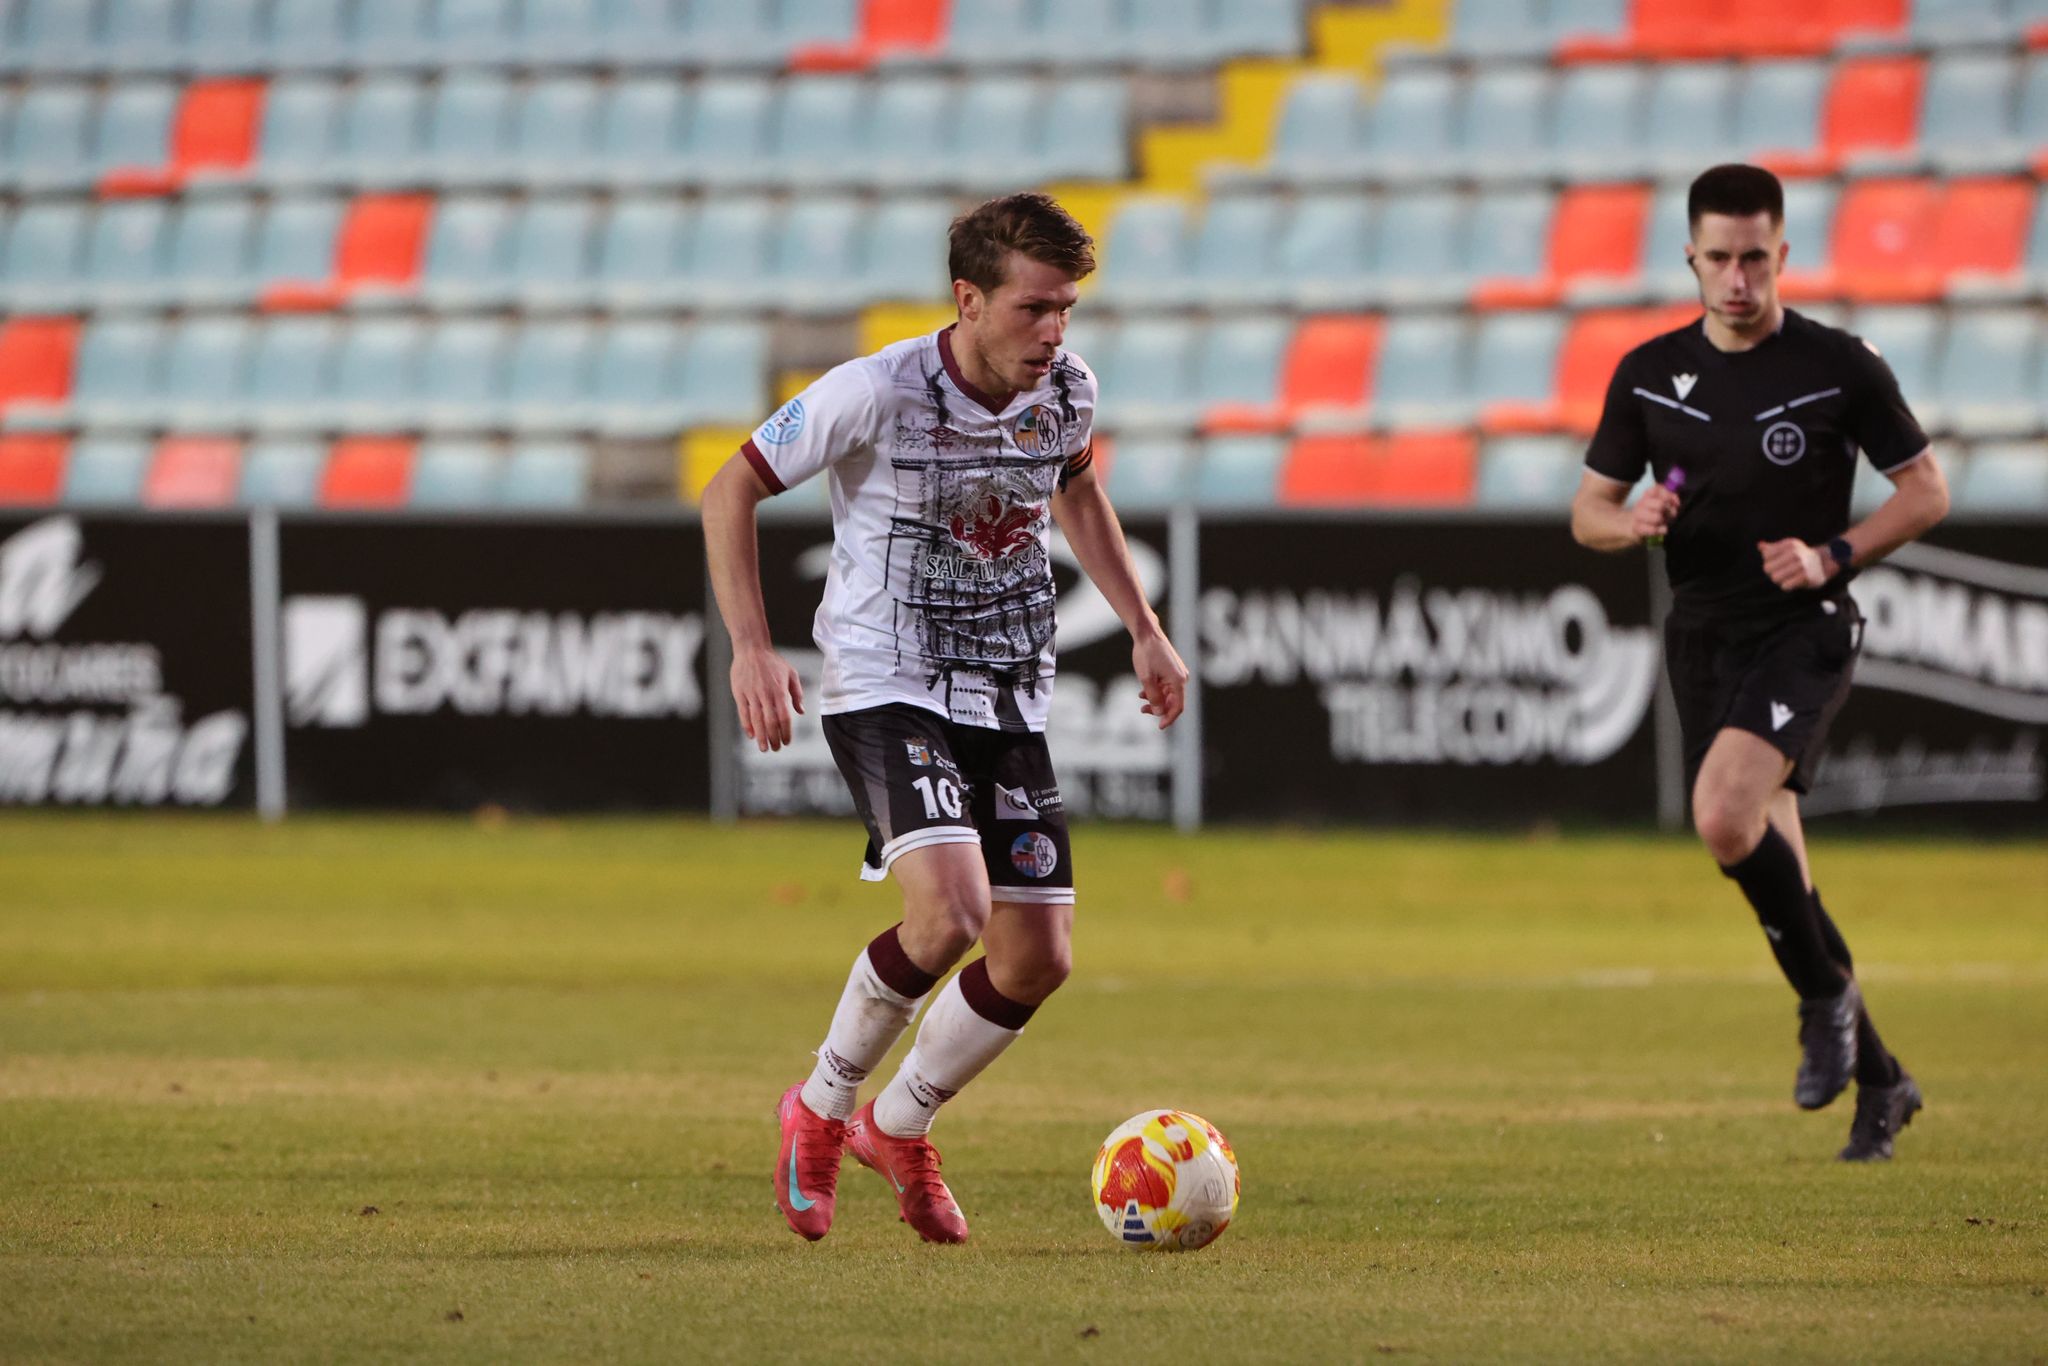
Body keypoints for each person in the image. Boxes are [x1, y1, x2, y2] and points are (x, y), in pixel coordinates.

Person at [701, 192, 1188, 1242]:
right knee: (951, 913)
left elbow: (1076, 493)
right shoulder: (869, 391)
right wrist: (750, 644)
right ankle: (820, 1108)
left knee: (1035, 958)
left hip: (1007, 687)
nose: (1053, 331)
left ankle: (898, 1122)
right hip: (888, 678)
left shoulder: (1064, 390)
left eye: (1066, 309)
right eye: (1033, 308)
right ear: (967, 299)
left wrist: (1143, 627)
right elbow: (727, 491)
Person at [1570, 163, 1950, 1161]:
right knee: (1787, 883)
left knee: (1721, 816)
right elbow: (1586, 511)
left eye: (1753, 257)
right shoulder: (1647, 371)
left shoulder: (1838, 366)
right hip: (1700, 633)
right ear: (1688, 258)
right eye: (1717, 258)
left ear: (1781, 254)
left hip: (1803, 625)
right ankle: (1881, 1080)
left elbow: (1923, 491)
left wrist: (1832, 553)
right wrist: (1630, 522)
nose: (1735, 277)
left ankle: (1825, 1005)